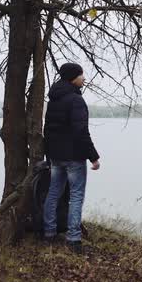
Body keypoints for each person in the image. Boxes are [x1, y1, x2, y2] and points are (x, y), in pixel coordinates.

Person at [43, 62, 100, 254]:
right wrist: (93, 157)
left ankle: (49, 233)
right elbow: (81, 131)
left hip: (56, 156)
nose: (84, 78)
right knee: (76, 196)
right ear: (72, 78)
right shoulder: (76, 100)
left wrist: (48, 154)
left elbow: (48, 130)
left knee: (54, 192)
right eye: (81, 75)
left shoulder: (54, 100)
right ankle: (74, 238)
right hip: (74, 157)